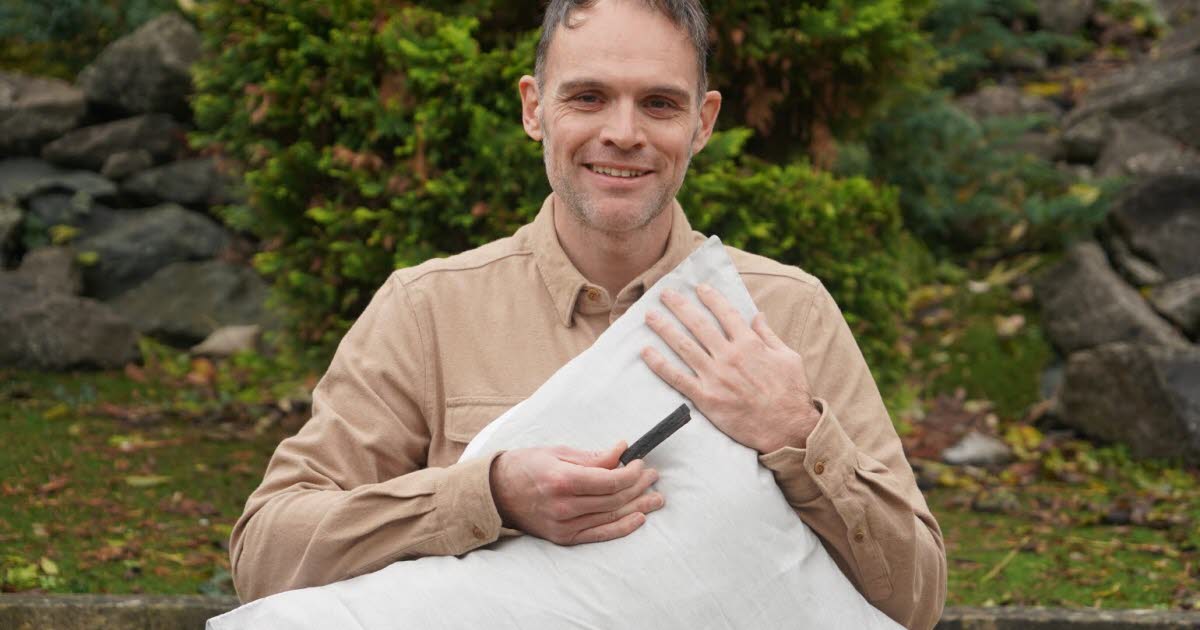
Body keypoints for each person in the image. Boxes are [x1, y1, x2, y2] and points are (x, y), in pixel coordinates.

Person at [229, 0, 947, 627]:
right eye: (589, 97)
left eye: (660, 104)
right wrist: (489, 494)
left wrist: (796, 432)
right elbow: (266, 555)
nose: (624, 132)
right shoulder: (428, 309)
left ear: (703, 122)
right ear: (533, 108)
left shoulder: (787, 311)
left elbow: (915, 602)